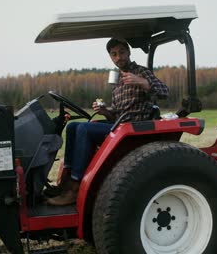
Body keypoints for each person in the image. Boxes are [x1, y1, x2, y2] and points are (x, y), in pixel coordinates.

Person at [46, 38, 169, 205]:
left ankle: (75, 188)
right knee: (73, 126)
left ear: (129, 52)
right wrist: (105, 111)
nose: (119, 57)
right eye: (114, 54)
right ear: (111, 57)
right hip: (119, 125)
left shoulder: (141, 72)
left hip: (134, 128)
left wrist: (140, 81)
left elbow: (164, 92)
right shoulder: (117, 82)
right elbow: (116, 115)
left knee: (84, 129)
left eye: (122, 52)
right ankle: (66, 182)